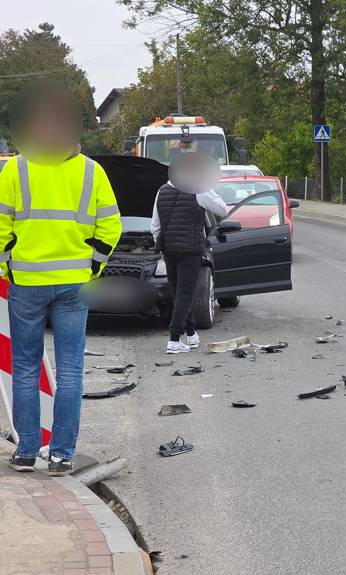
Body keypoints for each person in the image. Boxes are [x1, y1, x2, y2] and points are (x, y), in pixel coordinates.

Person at [0, 81, 122, 476]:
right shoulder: (92, 172)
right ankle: (62, 454)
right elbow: (111, 229)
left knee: (25, 367)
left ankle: (26, 452)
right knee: (70, 369)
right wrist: (93, 268)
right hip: (74, 285)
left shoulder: (14, 169)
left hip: (27, 285)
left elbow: (0, 228)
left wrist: (7, 268)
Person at [151, 152, 227, 353]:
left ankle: (191, 334)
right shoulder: (199, 190)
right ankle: (174, 340)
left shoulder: (162, 190)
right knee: (186, 295)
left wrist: (161, 246)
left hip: (169, 250)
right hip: (190, 250)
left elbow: (155, 226)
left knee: (178, 293)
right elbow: (222, 210)